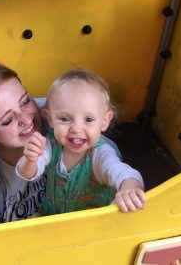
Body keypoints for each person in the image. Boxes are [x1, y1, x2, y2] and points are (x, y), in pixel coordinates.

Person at [0, 56, 124, 228]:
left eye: (25, 101)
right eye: (8, 120)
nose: (27, 120)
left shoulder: (56, 118)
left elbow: (105, 151)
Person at [16, 69, 146, 215]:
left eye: (88, 120)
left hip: (89, 225)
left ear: (104, 121)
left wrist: (129, 189)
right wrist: (30, 160)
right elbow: (28, 174)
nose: (76, 129)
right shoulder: (49, 145)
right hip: (51, 217)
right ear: (50, 119)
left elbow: (124, 173)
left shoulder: (100, 154)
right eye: (64, 119)